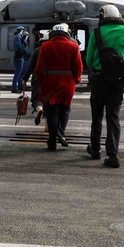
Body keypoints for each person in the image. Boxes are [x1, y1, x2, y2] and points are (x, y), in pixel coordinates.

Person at [87, 4, 124, 168]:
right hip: (117, 79)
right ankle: (113, 154)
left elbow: (88, 59)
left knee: (97, 116)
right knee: (113, 116)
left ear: (102, 17)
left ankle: (95, 149)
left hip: (99, 79)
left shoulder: (96, 32)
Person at [34, 23, 83, 151]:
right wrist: (76, 80)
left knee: (51, 112)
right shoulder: (74, 46)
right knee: (65, 110)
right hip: (68, 83)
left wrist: (41, 80)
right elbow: (78, 67)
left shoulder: (45, 46)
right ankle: (60, 134)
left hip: (49, 83)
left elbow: (39, 68)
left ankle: (52, 140)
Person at [21, 30, 45, 124]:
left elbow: (31, 66)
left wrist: (25, 78)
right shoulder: (54, 49)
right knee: (50, 101)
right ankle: (48, 127)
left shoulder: (37, 50)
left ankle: (39, 110)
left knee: (37, 99)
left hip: (38, 77)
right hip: (51, 79)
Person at [11, 26, 29, 92]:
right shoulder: (18, 37)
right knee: (17, 73)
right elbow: (20, 46)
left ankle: (15, 87)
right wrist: (25, 39)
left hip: (20, 56)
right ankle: (14, 88)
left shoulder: (19, 38)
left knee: (18, 73)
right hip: (19, 56)